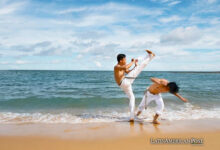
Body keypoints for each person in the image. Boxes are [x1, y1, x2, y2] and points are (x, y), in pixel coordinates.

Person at [114, 50, 155, 122]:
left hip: (124, 84)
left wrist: (135, 66)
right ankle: (150, 57)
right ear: (120, 61)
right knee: (140, 67)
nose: (126, 61)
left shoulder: (122, 67)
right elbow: (126, 67)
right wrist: (133, 62)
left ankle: (131, 117)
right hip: (124, 82)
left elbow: (129, 71)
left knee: (132, 98)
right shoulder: (117, 66)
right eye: (125, 59)